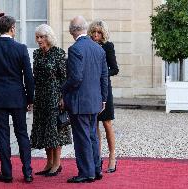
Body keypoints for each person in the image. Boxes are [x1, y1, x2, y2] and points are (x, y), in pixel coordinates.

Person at [0, 16, 34, 183]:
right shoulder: (21, 48)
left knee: (3, 135)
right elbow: (29, 78)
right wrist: (30, 98)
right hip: (18, 97)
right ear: (11, 29)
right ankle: (28, 172)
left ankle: (7, 173)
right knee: (22, 134)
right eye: (15, 28)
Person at [62, 16, 108, 183]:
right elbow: (104, 76)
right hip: (95, 100)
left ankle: (86, 172)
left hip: (79, 101)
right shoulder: (98, 49)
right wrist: (104, 99)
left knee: (82, 138)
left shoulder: (75, 49)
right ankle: (96, 169)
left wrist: (62, 89)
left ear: (72, 31)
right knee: (92, 136)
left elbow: (76, 78)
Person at [30, 24, 72, 177]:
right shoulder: (36, 54)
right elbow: (34, 77)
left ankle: (57, 164)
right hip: (41, 96)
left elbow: (64, 77)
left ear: (48, 37)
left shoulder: (58, 53)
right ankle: (48, 163)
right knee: (44, 131)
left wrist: (62, 97)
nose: (39, 40)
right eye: (37, 37)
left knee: (55, 130)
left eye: (42, 37)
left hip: (55, 96)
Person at [88, 20, 119, 173]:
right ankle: (97, 157)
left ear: (103, 33)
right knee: (94, 124)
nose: (95, 35)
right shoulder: (88, 45)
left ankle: (112, 156)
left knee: (107, 124)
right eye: (93, 32)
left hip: (104, 89)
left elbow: (115, 69)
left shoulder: (108, 46)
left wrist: (102, 72)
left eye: (98, 32)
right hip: (91, 90)